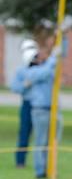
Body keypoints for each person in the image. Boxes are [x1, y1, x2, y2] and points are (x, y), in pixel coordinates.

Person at [25, 45, 62, 179]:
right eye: (37, 56)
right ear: (32, 60)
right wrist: (53, 56)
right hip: (40, 111)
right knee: (40, 141)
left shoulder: (47, 67)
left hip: (54, 109)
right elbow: (46, 72)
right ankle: (40, 171)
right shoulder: (32, 72)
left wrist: (62, 38)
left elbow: (59, 61)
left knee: (53, 142)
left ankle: (51, 168)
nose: (40, 57)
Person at [9, 39, 38, 168]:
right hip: (27, 104)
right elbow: (14, 86)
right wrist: (24, 85)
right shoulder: (21, 70)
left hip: (40, 106)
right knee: (24, 133)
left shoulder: (41, 68)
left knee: (41, 136)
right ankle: (20, 161)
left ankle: (42, 164)